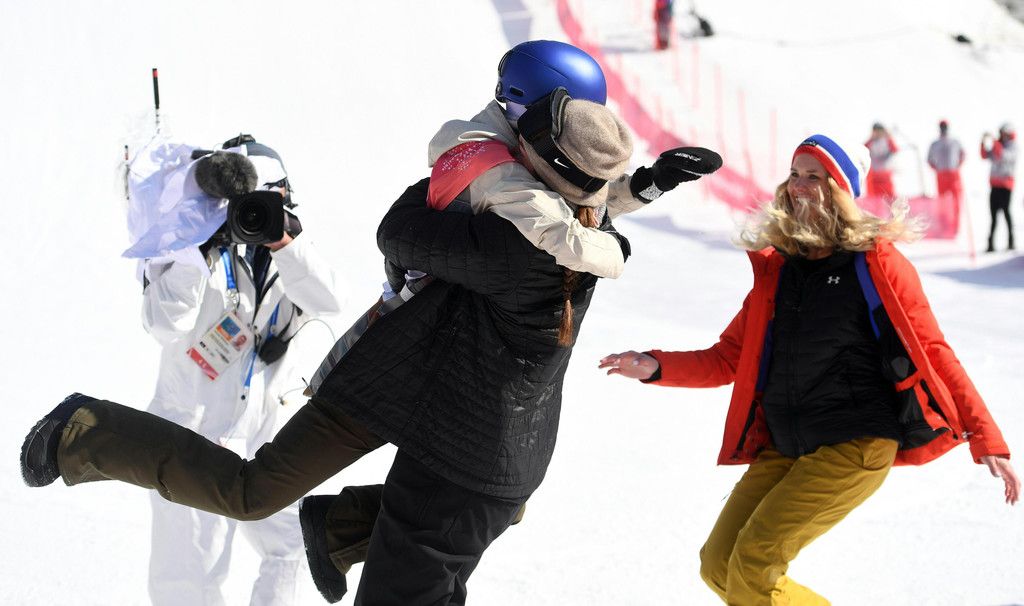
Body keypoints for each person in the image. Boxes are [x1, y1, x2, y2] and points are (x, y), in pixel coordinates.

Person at [22, 96, 703, 604]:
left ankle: (337, 526)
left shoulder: (518, 243)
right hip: (391, 385)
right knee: (256, 496)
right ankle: (87, 432)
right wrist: (637, 188)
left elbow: (402, 231)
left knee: (463, 506)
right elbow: (581, 213)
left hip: (424, 401)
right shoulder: (567, 231)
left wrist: (469, 173)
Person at [599, 134, 1020, 605]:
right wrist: (656, 366)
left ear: (840, 189)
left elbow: (934, 351)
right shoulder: (780, 270)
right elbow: (728, 357)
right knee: (719, 564)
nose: (798, 186)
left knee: (753, 567)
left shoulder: (874, 263)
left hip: (855, 442)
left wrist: (987, 439)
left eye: (814, 176)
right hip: (787, 444)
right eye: (795, 174)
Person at [135, 135, 348, 605]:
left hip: (262, 441)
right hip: (191, 436)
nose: (254, 212)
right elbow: (166, 324)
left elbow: (328, 301)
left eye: (268, 199)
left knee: (293, 543)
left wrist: (284, 241)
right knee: (191, 578)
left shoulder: (288, 252)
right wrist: (198, 249)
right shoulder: (186, 246)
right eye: (245, 202)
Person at [980, 122, 1017, 252]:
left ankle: (1011, 242)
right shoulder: (999, 145)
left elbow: (1002, 155)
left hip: (1006, 186)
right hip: (994, 186)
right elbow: (985, 155)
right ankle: (990, 244)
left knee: (1006, 214)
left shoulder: (1013, 146)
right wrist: (983, 142)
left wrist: (995, 141)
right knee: (993, 217)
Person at [926, 119, 965, 235]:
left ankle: (955, 227)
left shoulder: (955, 142)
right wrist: (937, 169)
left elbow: (963, 154)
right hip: (941, 175)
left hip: (953, 174)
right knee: (943, 202)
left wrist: (957, 166)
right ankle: (944, 227)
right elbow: (929, 159)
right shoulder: (935, 143)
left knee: (956, 201)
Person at [865, 122, 898, 200]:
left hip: (885, 175)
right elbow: (863, 149)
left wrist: (889, 137)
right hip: (873, 176)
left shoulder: (887, 141)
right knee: (874, 199)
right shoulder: (870, 142)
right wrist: (871, 138)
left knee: (889, 199)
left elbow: (895, 149)